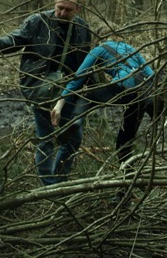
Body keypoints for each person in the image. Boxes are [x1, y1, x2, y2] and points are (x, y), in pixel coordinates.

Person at [0, 0, 91, 185]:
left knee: (74, 138)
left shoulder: (82, 28)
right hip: (41, 87)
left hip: (69, 90)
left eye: (68, 10)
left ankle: (60, 180)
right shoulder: (38, 21)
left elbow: (86, 61)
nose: (62, 13)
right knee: (46, 139)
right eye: (59, 8)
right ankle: (49, 186)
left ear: (77, 9)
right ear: (54, 5)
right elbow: (16, 39)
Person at [50, 24, 157, 171]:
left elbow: (78, 78)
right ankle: (127, 187)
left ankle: (75, 121)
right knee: (123, 144)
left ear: (101, 38)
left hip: (120, 86)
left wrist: (59, 104)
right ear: (119, 35)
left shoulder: (99, 49)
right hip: (138, 96)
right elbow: (151, 75)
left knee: (85, 97)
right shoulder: (131, 49)